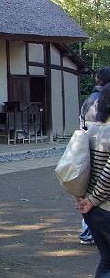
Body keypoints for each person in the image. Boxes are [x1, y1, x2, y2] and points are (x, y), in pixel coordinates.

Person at [76, 81, 110, 277]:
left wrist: (81, 197)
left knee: (106, 259)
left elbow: (76, 166)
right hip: (103, 206)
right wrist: (93, 199)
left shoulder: (92, 130)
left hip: (92, 210)